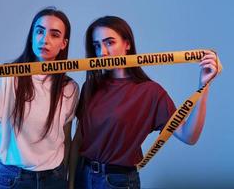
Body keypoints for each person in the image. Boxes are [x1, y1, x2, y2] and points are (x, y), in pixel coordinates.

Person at [68, 16, 218, 189]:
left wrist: (204, 86)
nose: (102, 52)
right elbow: (79, 139)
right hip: (83, 176)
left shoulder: (150, 92)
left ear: (127, 44)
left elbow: (189, 136)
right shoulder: (91, 86)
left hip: (117, 182)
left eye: (109, 42)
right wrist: (71, 182)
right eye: (96, 45)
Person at [0, 7, 79, 189]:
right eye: (39, 31)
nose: (45, 40)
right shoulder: (7, 76)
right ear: (32, 35)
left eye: (54, 35)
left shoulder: (69, 88)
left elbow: (66, 137)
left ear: (63, 43)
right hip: (12, 179)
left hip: (55, 178)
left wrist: (68, 180)